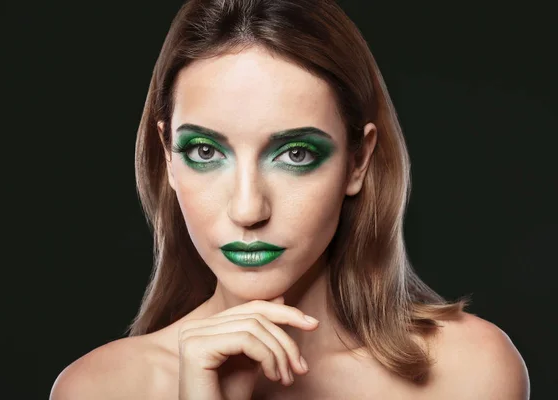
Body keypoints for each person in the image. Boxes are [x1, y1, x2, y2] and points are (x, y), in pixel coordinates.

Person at [50, 0, 530, 398]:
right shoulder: (98, 389)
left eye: (295, 154)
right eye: (205, 151)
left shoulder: (469, 375)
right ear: (168, 158)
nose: (248, 209)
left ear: (358, 160)